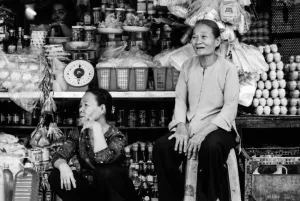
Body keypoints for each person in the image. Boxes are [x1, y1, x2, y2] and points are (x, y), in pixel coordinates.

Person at [153, 19, 240, 201]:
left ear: (217, 42)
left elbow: (230, 108)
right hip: (190, 126)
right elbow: (180, 99)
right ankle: (176, 196)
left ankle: (207, 197)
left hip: (218, 128)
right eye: (194, 37)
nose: (198, 41)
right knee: (162, 148)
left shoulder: (229, 69)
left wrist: (203, 133)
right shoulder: (187, 66)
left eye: (204, 37)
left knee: (209, 147)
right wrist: (181, 126)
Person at [48, 88, 138, 201]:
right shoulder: (79, 132)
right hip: (91, 191)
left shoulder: (116, 136)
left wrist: (96, 128)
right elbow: (59, 155)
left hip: (115, 193)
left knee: (104, 171)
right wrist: (63, 166)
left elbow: (102, 159)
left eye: (86, 105)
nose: (81, 109)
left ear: (102, 109)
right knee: (55, 175)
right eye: (80, 105)